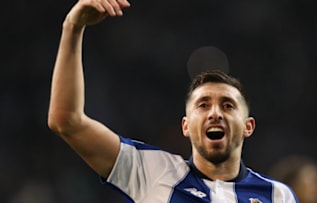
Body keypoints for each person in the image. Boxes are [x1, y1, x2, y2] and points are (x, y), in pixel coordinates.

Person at [48, 0, 299, 202]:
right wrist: (73, 27)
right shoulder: (151, 172)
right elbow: (66, 121)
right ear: (186, 126)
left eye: (228, 105)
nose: (215, 113)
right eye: (203, 105)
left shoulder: (278, 196)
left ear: (248, 126)